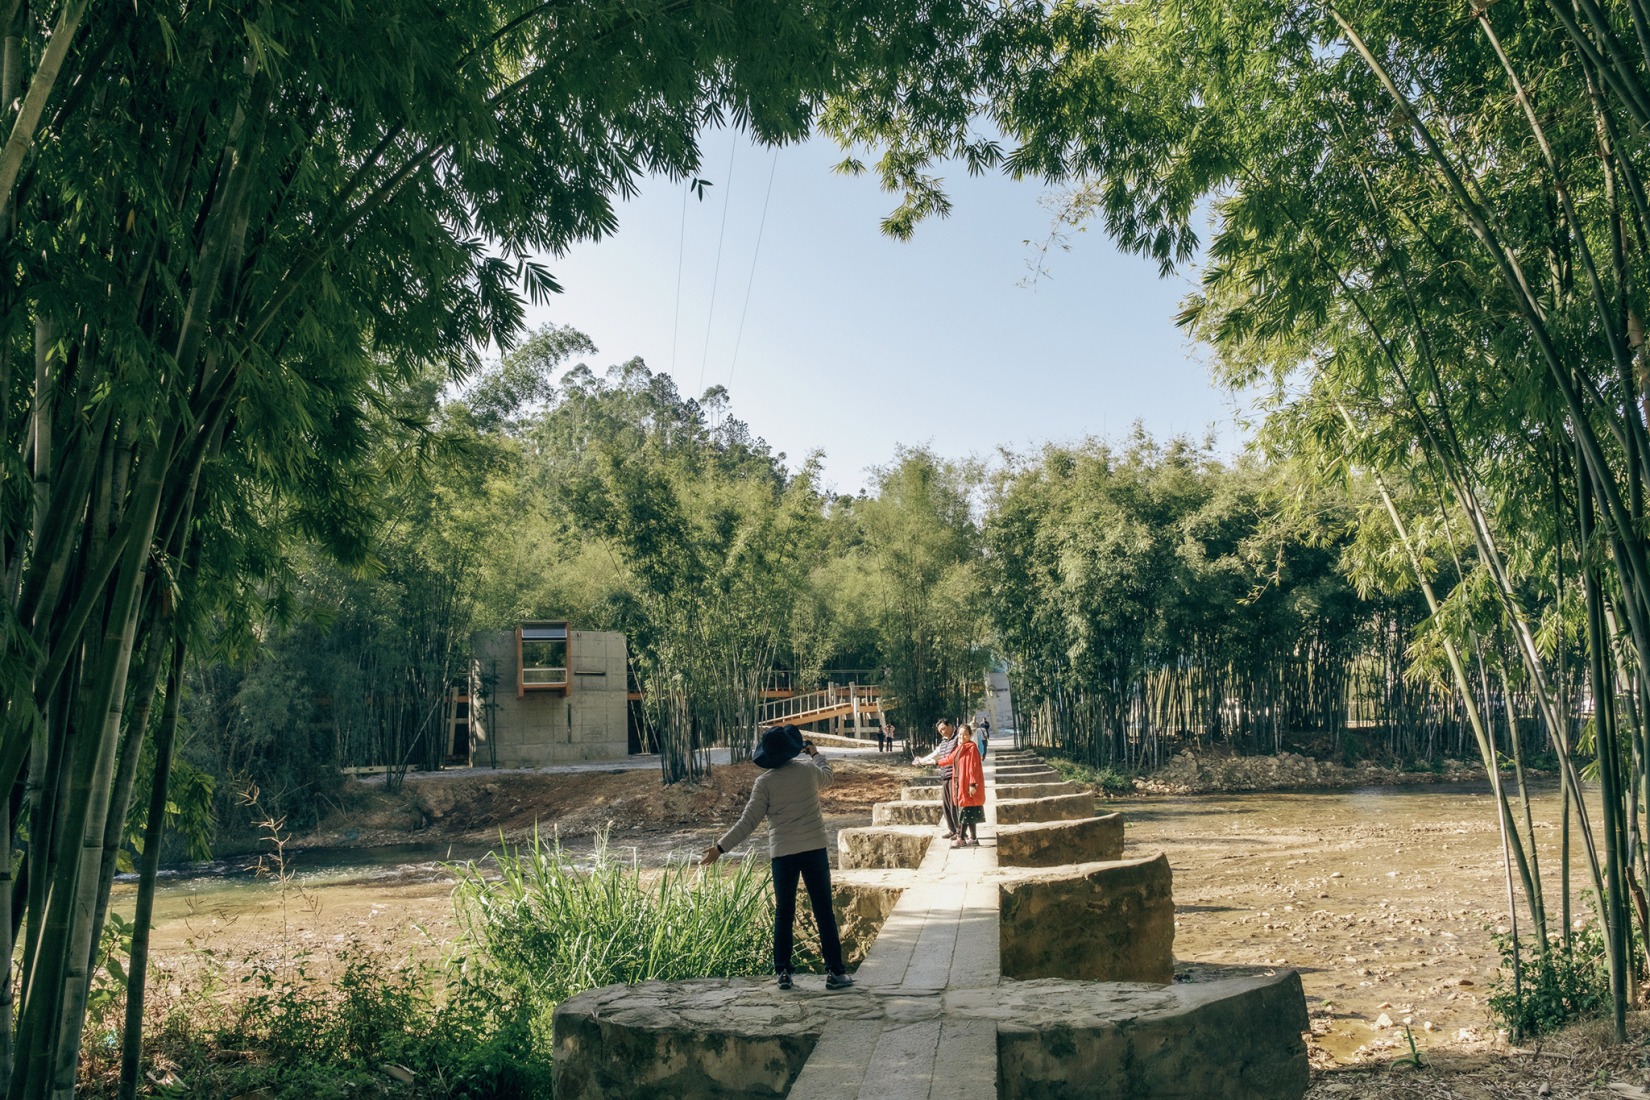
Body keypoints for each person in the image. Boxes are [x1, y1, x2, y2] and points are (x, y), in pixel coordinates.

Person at [701, 724, 854, 991]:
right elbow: (828, 777)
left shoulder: (765, 783)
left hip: (783, 853)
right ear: (793, 749)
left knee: (784, 912)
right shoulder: (808, 771)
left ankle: (783, 972)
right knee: (824, 911)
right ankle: (835, 972)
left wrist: (720, 848)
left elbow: (747, 822)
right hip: (814, 848)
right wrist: (815, 754)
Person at [914, 719, 961, 840]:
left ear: (950, 725)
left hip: (955, 775)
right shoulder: (944, 742)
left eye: (944, 729)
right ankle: (952, 829)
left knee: (954, 804)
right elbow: (935, 754)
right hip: (945, 774)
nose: (942, 732)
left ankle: (960, 831)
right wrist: (922, 761)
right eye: (940, 731)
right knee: (945, 804)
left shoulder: (958, 739)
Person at [951, 724, 985, 847]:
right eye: (960, 734)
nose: (962, 736)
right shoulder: (960, 748)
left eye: (965, 734)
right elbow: (950, 759)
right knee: (970, 811)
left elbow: (973, 768)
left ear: (970, 735)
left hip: (968, 785)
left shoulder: (972, 748)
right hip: (961, 784)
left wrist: (972, 784)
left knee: (965, 811)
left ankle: (961, 838)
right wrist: (934, 761)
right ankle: (974, 839)